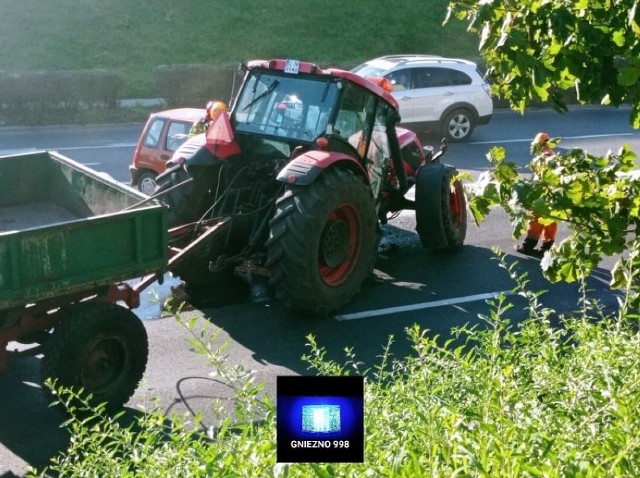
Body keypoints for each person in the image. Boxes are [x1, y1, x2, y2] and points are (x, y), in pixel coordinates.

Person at [515, 132, 558, 256]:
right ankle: (547, 248)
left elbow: (539, 179)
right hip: (553, 196)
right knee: (551, 221)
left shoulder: (543, 157)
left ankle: (528, 247)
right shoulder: (553, 155)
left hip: (543, 195)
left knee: (535, 220)